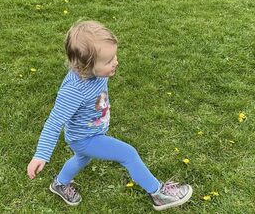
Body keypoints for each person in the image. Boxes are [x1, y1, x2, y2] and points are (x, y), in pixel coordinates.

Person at [27, 20, 192, 211]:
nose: (116, 62)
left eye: (114, 56)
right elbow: (54, 123)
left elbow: (97, 90)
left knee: (82, 159)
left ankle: (60, 184)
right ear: (85, 66)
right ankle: (159, 193)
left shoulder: (95, 73)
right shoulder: (73, 91)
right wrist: (41, 155)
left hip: (91, 131)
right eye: (108, 61)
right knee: (128, 153)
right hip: (85, 137)